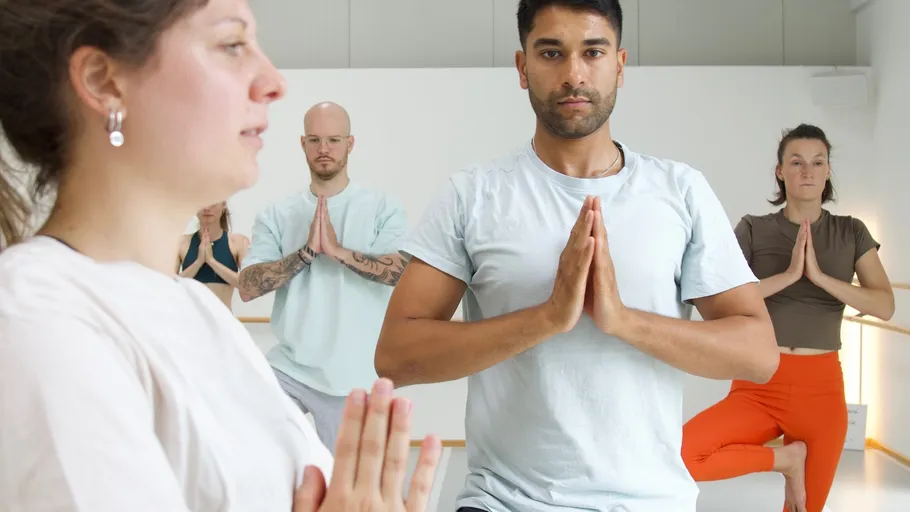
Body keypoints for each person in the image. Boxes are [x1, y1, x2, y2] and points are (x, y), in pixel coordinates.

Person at [0, 1, 439, 511]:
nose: (274, 81)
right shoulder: (37, 320)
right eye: (232, 44)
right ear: (104, 81)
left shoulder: (204, 314)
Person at [375, 1, 780, 511]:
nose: (573, 74)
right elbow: (395, 355)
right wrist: (546, 318)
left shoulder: (680, 191)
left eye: (593, 52)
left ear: (620, 65)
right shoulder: (473, 195)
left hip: (649, 501)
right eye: (551, 53)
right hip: (503, 500)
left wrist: (623, 320)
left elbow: (759, 354)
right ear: (523, 68)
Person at [681, 124, 895, 512]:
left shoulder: (851, 231)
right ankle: (786, 460)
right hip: (758, 383)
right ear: (780, 171)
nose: (807, 171)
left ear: (828, 170)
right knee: (685, 455)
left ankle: (793, 466)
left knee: (803, 510)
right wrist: (788, 277)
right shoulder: (753, 228)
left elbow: (884, 305)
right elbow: (717, 300)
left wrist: (821, 278)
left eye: (817, 162)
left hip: (822, 390)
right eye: (796, 162)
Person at [238, 101, 409, 453]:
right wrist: (305, 254)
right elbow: (247, 286)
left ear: (350, 144)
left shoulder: (382, 208)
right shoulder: (276, 214)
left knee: (344, 492)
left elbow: (400, 272)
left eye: (334, 140)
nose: (324, 149)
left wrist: (339, 252)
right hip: (289, 371)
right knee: (255, 461)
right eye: (314, 140)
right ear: (303, 145)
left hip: (354, 378)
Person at [177, 201, 250, 309]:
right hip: (189, 322)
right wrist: (198, 262)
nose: (207, 208)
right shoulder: (181, 243)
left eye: (212, 202)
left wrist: (211, 261)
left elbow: (248, 287)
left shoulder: (238, 242)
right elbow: (169, 286)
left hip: (223, 322)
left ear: (224, 204)